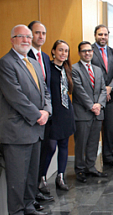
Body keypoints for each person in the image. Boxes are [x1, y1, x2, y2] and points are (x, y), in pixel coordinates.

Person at [0, 24, 51, 215]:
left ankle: (29, 206)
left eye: (28, 37)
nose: (26, 40)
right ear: (12, 39)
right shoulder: (6, 63)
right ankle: (17, 211)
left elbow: (45, 92)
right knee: (17, 178)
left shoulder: (34, 63)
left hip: (36, 130)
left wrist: (47, 111)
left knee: (31, 175)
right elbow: (16, 97)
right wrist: (38, 115)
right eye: (21, 37)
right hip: (17, 132)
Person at [38, 40, 76, 191]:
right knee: (51, 147)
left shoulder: (67, 69)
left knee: (64, 145)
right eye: (60, 50)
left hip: (66, 112)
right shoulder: (48, 70)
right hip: (53, 113)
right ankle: (42, 177)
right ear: (53, 51)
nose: (63, 54)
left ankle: (60, 177)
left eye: (66, 51)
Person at [27, 20, 54, 209]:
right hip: (30, 117)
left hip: (46, 113)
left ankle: (36, 188)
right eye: (37, 33)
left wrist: (47, 110)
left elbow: (46, 87)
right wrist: (38, 112)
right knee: (30, 159)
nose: (41, 37)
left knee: (46, 150)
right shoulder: (24, 56)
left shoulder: (44, 57)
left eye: (43, 33)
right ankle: (31, 195)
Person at [72, 41, 107, 183]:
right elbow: (78, 90)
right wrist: (91, 105)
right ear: (80, 53)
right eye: (84, 51)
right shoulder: (74, 69)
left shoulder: (97, 70)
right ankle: (80, 170)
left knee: (93, 141)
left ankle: (91, 167)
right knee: (81, 143)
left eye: (89, 50)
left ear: (93, 52)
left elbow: (103, 89)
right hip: (83, 113)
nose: (87, 53)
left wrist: (99, 104)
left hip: (97, 113)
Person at [91, 25, 113, 168]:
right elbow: (90, 73)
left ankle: (108, 157)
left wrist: (110, 88)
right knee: (94, 130)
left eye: (105, 34)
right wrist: (104, 91)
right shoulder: (89, 51)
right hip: (95, 98)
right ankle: (90, 162)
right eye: (100, 34)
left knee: (109, 128)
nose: (103, 37)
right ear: (95, 35)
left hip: (111, 97)